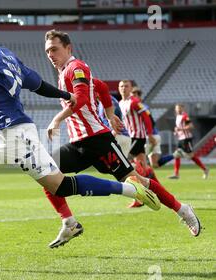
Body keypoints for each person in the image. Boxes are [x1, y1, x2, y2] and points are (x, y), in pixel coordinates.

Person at [0, 19, 161, 260]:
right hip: (21, 133)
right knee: (60, 185)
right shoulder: (10, 58)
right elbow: (38, 85)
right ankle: (130, 188)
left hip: (7, 137)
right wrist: (65, 95)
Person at [42, 29, 201, 240]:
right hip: (78, 144)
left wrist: (57, 119)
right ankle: (69, 223)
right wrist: (109, 114)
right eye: (47, 51)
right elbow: (100, 87)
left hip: (99, 141)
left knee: (138, 180)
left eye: (54, 49)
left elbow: (80, 98)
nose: (50, 55)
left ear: (68, 48)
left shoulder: (76, 67)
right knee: (44, 171)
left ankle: (183, 210)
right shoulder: (64, 73)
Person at [130, 87, 173, 170]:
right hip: (148, 136)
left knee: (139, 161)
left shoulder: (142, 106)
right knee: (152, 164)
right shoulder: (133, 106)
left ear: (139, 97)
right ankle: (175, 155)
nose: (133, 98)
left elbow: (150, 120)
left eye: (135, 95)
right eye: (132, 96)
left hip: (149, 136)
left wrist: (150, 135)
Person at [169, 103, 209, 180]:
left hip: (186, 139)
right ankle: (176, 174)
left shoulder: (185, 116)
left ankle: (205, 169)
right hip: (181, 139)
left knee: (191, 156)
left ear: (182, 108)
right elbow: (179, 127)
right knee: (177, 155)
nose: (178, 109)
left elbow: (191, 126)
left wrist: (180, 129)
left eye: (179, 108)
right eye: (177, 108)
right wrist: (177, 131)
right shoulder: (177, 116)